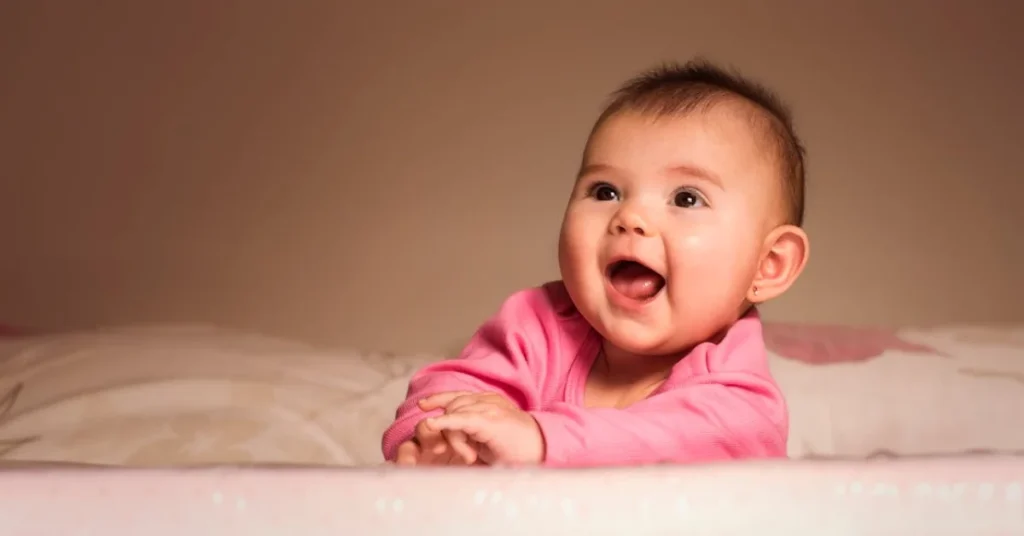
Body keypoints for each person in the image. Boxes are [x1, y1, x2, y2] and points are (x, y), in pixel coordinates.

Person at [381, 58, 809, 467]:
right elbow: (453, 389)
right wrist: (438, 437)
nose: (630, 218)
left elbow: (676, 440)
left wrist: (540, 439)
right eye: (605, 192)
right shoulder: (537, 324)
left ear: (768, 265)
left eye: (686, 198)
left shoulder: (741, 401)